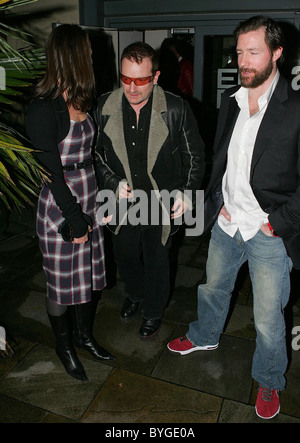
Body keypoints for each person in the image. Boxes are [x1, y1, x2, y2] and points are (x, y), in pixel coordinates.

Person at [167, 15, 300, 419]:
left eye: (253, 52)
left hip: (268, 231)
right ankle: (205, 336)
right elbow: (221, 158)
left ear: (277, 53)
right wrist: (215, 198)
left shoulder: (295, 109)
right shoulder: (231, 100)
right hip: (227, 222)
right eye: (239, 51)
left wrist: (278, 221)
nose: (243, 60)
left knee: (267, 319)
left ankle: (269, 379)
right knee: (211, 288)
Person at [94, 42, 205, 340]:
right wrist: (112, 182)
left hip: (162, 200)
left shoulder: (175, 108)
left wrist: (186, 192)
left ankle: (153, 310)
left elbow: (194, 156)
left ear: (155, 77)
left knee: (157, 259)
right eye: (126, 78)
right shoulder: (105, 106)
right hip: (123, 200)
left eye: (140, 80)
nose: (131, 88)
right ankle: (136, 294)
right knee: (125, 255)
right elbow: (97, 154)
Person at [25, 24, 115, 382]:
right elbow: (51, 174)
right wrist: (75, 218)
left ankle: (84, 336)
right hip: (61, 204)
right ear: (75, 56)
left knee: (87, 277)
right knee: (62, 285)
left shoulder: (82, 99)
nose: (92, 57)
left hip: (88, 193)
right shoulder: (42, 109)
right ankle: (64, 346)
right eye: (88, 52)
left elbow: (94, 153)